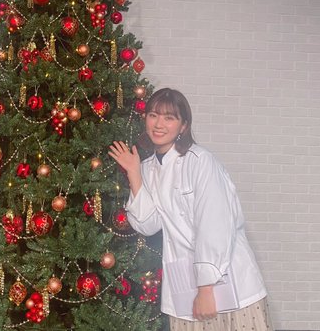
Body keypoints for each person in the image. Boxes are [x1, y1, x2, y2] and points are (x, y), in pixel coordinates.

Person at [108, 88, 272, 331]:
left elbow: (215, 225)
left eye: (169, 117)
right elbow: (147, 224)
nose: (159, 124)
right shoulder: (148, 168)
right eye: (153, 115)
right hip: (183, 286)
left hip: (226, 282)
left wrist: (206, 289)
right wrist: (134, 173)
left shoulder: (200, 161)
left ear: (183, 126)